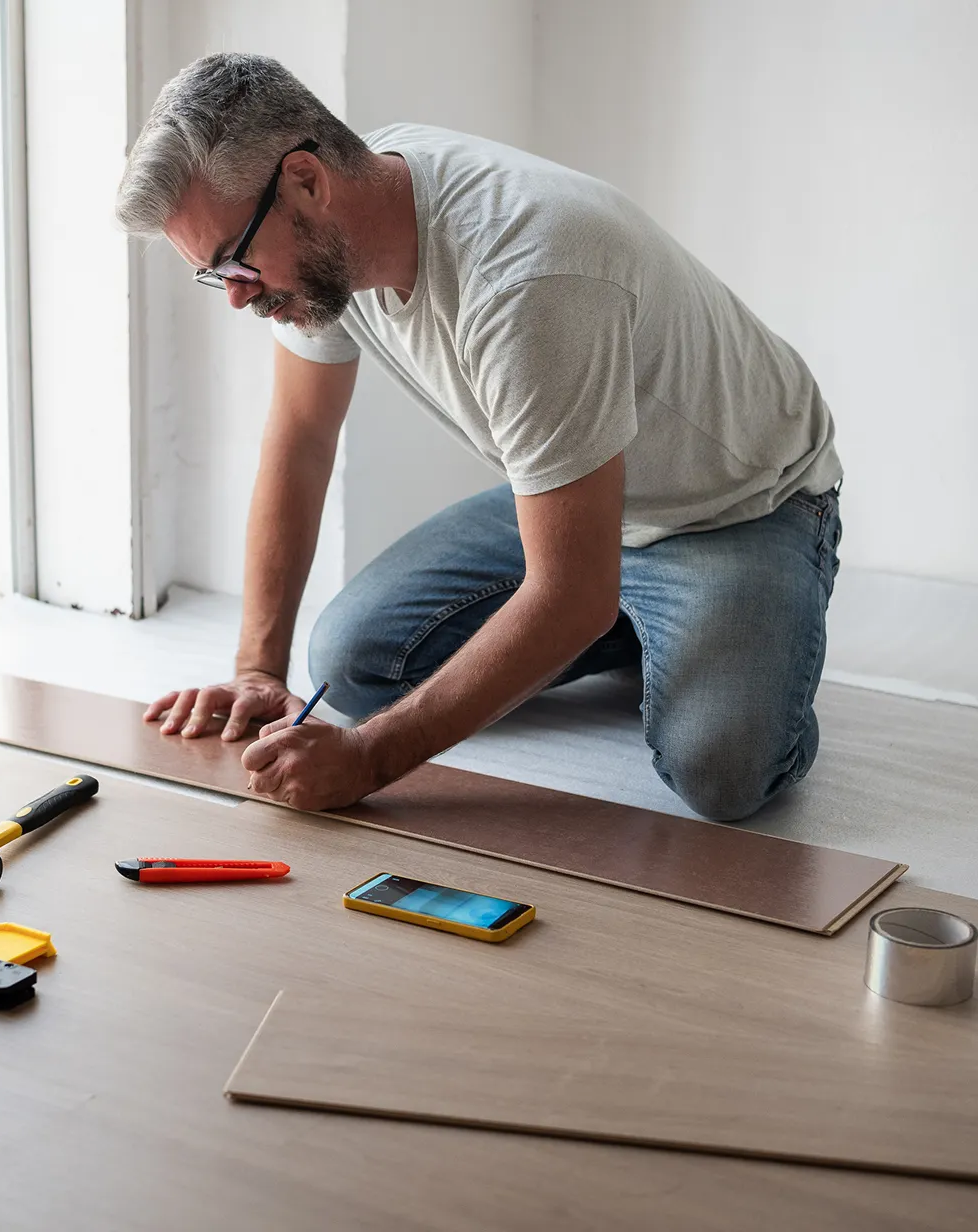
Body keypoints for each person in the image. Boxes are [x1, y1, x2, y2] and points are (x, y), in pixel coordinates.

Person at [114, 53, 843, 822]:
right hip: (590, 479)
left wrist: (370, 758)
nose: (236, 295)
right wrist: (258, 670)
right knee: (353, 662)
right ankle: (633, 624)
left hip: (740, 506)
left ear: (306, 181)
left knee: (721, 774)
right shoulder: (336, 240)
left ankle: (716, 638)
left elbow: (569, 593)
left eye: (234, 260)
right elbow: (299, 438)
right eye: (213, 274)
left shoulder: (529, 280)